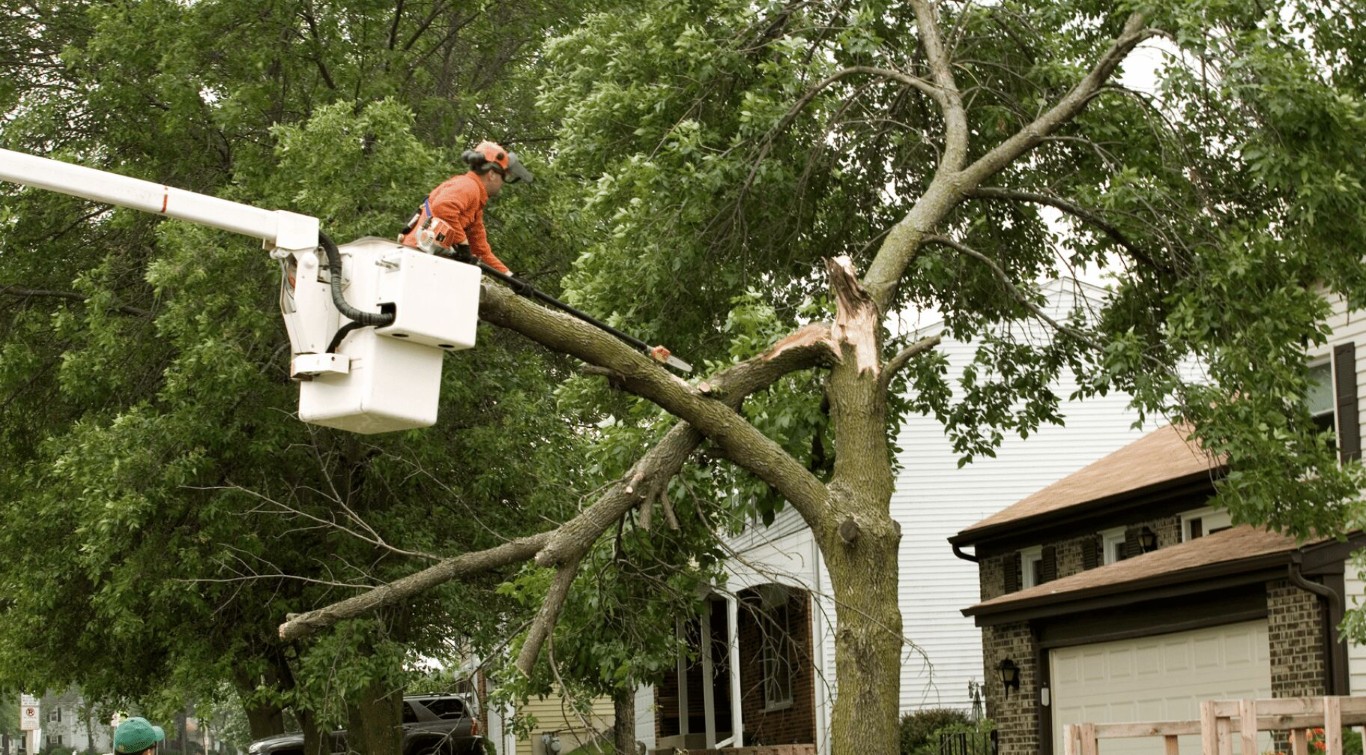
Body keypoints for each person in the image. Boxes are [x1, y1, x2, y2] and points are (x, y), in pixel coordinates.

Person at [400, 140, 533, 276]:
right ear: (492, 174)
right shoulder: (469, 186)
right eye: (502, 176)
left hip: (424, 259)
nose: (502, 183)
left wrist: (510, 276)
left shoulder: (476, 205)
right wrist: (463, 244)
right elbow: (443, 207)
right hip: (416, 256)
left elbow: (480, 250)